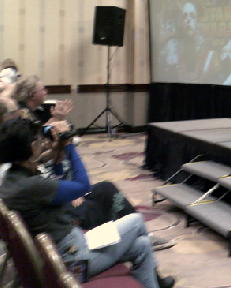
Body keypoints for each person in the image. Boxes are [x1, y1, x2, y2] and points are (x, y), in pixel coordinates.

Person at [0, 117, 175, 288]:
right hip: (73, 263)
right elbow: (82, 186)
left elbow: (56, 178)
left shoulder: (13, 177)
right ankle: (157, 280)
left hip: (67, 247)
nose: (43, 142)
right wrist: (70, 147)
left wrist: (58, 150)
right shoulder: (31, 185)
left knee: (142, 245)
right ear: (32, 147)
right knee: (136, 221)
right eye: (39, 140)